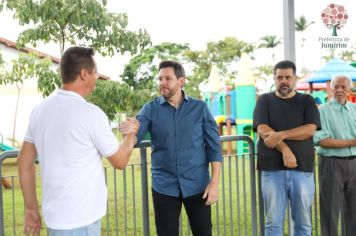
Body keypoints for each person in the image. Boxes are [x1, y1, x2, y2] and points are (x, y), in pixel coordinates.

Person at [17, 46, 139, 236]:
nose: (97, 76)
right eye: (95, 72)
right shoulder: (92, 114)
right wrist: (131, 134)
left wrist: (31, 210)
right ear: (84, 74)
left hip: (55, 221)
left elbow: (23, 162)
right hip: (82, 222)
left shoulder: (39, 111)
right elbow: (121, 161)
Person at [120, 60, 222, 236]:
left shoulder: (200, 108)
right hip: (164, 186)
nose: (162, 83)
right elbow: (136, 134)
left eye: (168, 78)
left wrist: (214, 184)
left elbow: (214, 146)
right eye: (160, 79)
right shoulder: (150, 109)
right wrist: (129, 129)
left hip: (197, 185)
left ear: (181, 81)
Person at [253, 60, 320, 236]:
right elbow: (262, 129)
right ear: (274, 79)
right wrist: (285, 150)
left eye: (288, 77)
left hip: (302, 170)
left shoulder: (307, 101)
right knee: (273, 223)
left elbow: (310, 129)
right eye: (279, 77)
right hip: (272, 171)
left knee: (303, 223)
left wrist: (281, 134)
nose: (284, 81)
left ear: (295, 78)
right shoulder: (264, 100)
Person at [313, 75, 356, 236]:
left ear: (349, 90)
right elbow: (323, 140)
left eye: (343, 87)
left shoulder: (355, 109)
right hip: (331, 164)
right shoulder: (322, 111)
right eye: (336, 87)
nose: (339, 90)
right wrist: (352, 142)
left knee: (354, 212)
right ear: (331, 89)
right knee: (330, 211)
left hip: (354, 163)